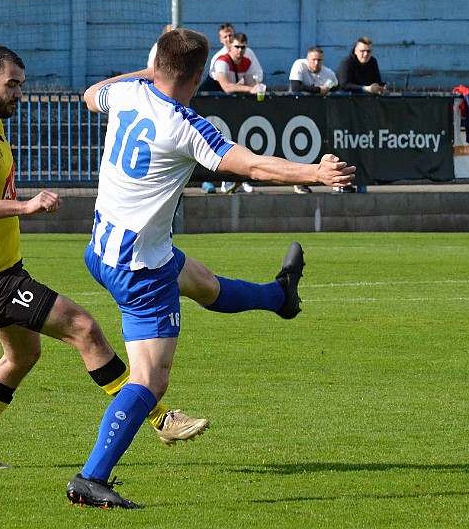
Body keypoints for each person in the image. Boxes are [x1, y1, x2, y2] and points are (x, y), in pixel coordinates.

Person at [65, 28, 355, 509]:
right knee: (150, 381)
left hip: (103, 248)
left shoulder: (124, 93)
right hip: (139, 268)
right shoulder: (185, 125)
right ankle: (91, 477)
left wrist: (152, 70)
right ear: (201, 76)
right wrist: (315, 173)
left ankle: (280, 297)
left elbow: (90, 94)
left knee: (201, 282)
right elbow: (253, 166)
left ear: (156, 64)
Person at [0, 44, 209, 470]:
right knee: (84, 329)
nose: (19, 94)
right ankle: (160, 419)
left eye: (20, 86)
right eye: (12, 86)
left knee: (21, 357)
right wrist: (25, 207)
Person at [198, 32, 264, 194]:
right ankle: (205, 181)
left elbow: (250, 83)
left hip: (223, 109)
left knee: (229, 144)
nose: (240, 51)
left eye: (243, 47)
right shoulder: (222, 61)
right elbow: (227, 87)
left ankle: (230, 180)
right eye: (236, 47)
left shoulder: (247, 61)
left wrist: (256, 88)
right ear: (229, 47)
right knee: (206, 145)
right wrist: (251, 89)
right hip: (207, 107)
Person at [335, 37, 385, 193]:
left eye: (369, 51)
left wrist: (380, 88)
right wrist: (365, 89)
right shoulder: (347, 62)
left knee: (362, 146)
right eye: (362, 51)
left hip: (364, 111)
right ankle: (340, 183)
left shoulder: (373, 62)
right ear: (355, 51)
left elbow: (376, 81)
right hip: (344, 109)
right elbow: (343, 84)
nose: (365, 54)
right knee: (344, 146)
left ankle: (362, 182)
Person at [288, 46, 339, 194]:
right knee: (300, 148)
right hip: (297, 113)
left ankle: (334, 181)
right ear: (307, 59)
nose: (316, 63)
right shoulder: (299, 65)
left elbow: (336, 86)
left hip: (319, 115)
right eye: (313, 60)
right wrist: (318, 90)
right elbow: (295, 86)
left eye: (319, 60)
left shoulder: (328, 73)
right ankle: (299, 182)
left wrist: (327, 89)